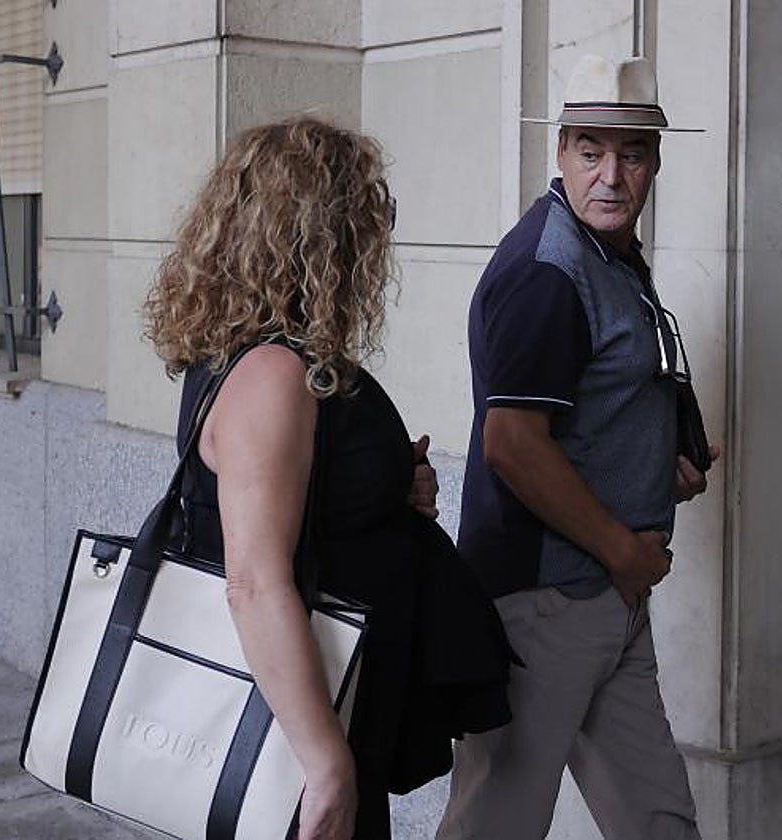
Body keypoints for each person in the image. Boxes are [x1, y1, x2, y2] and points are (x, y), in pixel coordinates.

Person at [143, 116, 511, 840]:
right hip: (300, 735)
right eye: (368, 216)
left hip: (338, 707)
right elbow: (253, 581)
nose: (376, 240)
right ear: (318, 235)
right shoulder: (271, 376)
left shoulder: (262, 360)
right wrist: (326, 764)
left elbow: (302, 509)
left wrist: (387, 494)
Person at [437, 55, 718, 840]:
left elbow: (587, 413)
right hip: (544, 603)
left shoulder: (610, 254)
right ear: (559, 152)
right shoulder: (547, 271)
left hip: (609, 599)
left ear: (655, 162)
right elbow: (513, 445)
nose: (611, 175)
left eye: (631, 154)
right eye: (590, 151)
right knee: (495, 823)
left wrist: (652, 464)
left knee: (660, 820)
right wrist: (624, 552)